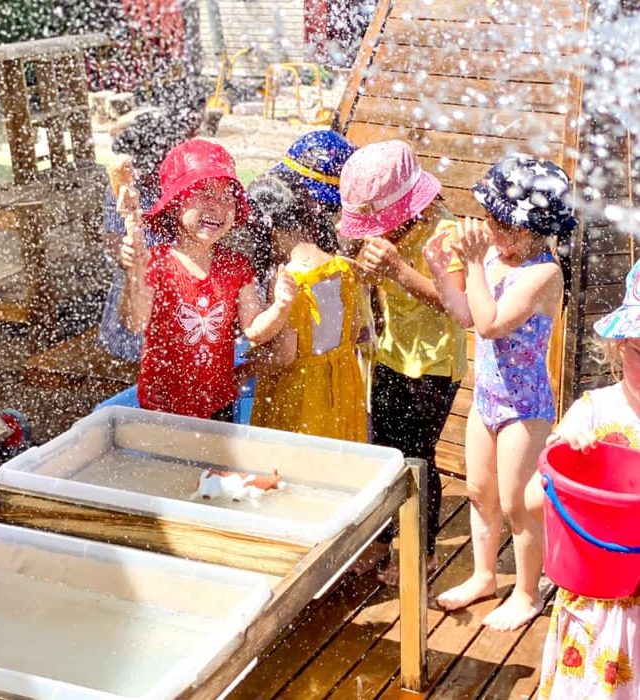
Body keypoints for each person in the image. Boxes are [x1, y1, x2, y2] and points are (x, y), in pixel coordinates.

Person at [431, 154, 577, 631]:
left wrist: (472, 263)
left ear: (531, 227)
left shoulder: (543, 274)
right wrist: (440, 270)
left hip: (525, 408)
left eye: (500, 224)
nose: (491, 232)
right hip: (487, 399)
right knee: (479, 492)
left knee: (519, 504)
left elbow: (491, 325)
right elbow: (467, 315)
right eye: (489, 221)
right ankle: (484, 575)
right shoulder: (494, 258)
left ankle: (528, 592)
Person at [338, 140, 468, 583]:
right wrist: (369, 286)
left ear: (413, 207)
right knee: (384, 450)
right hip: (391, 353)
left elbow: (458, 306)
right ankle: (381, 538)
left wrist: (398, 270)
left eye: (382, 221)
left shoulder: (443, 234)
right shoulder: (387, 235)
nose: (377, 231)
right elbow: (378, 291)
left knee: (416, 457)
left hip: (431, 364)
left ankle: (421, 550)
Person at [119, 138, 297, 420]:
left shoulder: (236, 266)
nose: (216, 207)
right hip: (162, 406)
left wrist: (280, 307)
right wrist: (135, 275)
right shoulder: (156, 262)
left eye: (227, 197)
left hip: (219, 402)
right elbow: (135, 322)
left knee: (215, 464)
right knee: (171, 464)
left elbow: (253, 330)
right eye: (204, 193)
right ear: (175, 202)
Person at [536, 259, 640, 700]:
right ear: (619, 347)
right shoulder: (593, 412)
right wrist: (560, 453)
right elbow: (525, 502)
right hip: (595, 614)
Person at [245, 170, 368, 442]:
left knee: (293, 468)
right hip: (343, 386)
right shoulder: (341, 268)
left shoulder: (287, 281)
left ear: (267, 229)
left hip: (301, 396)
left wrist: (246, 370)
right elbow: (352, 331)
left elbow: (284, 355)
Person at [98, 84, 207, 362]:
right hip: (139, 282)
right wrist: (129, 253)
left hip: (185, 281)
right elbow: (112, 241)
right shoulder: (122, 186)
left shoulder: (184, 181)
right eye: (138, 166)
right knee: (145, 351)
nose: (142, 173)